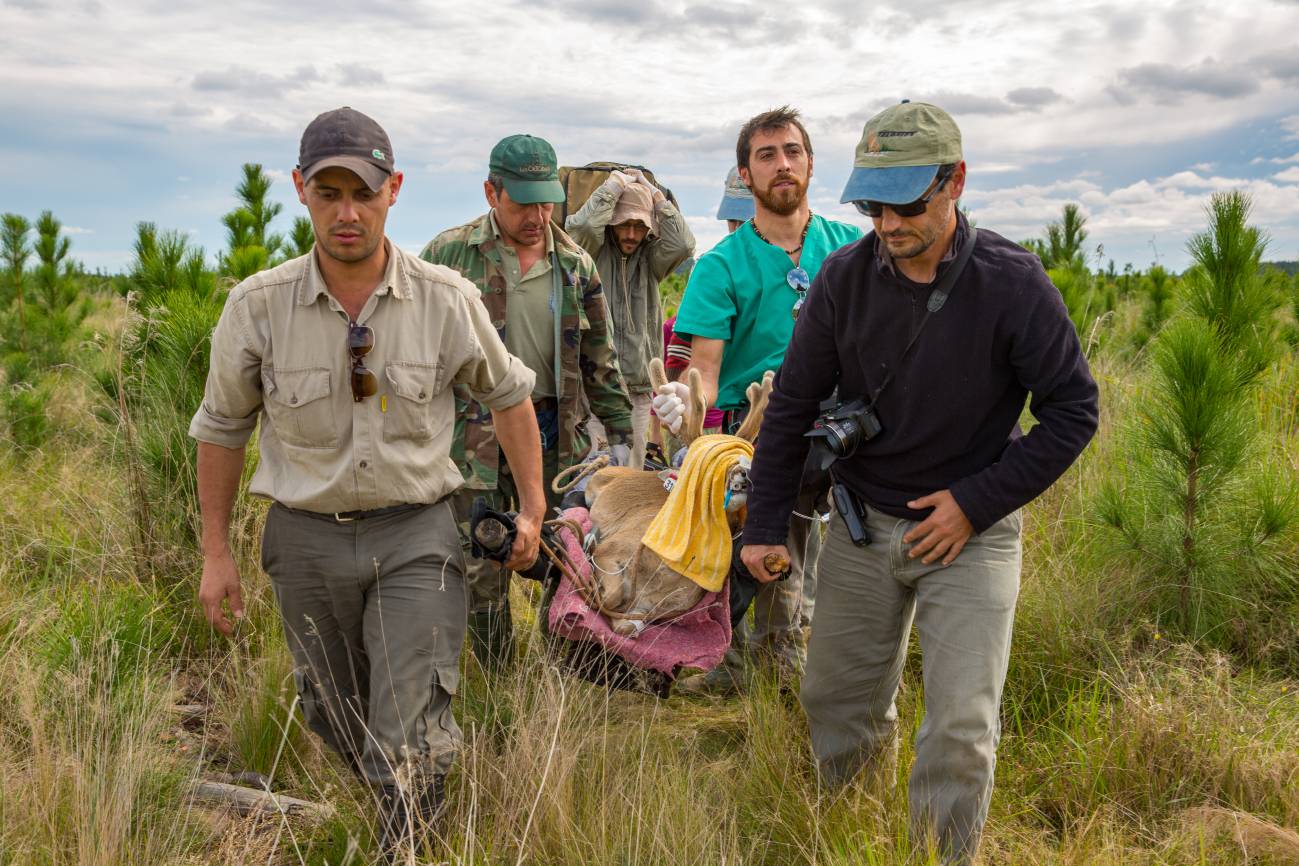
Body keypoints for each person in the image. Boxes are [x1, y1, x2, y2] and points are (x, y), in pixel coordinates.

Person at [739, 101, 1100, 864]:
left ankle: (941, 856)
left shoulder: (1012, 283)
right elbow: (793, 406)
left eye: (907, 203)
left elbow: (1073, 411)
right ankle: (852, 835)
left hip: (971, 533)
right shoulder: (842, 279)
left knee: (962, 726)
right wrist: (765, 525)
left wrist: (974, 504)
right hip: (865, 524)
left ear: (956, 182)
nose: (887, 222)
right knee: (834, 702)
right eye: (872, 203)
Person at [190, 107, 546, 861]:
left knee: (409, 723)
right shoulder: (257, 306)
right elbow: (221, 428)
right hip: (305, 538)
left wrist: (535, 511)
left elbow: (510, 396)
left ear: (395, 191)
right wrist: (215, 554)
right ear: (300, 190)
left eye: (364, 191)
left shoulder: (445, 298)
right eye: (329, 192)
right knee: (331, 712)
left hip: (415, 534)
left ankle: (404, 845)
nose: (347, 211)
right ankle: (387, 800)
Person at [659, 107, 862, 693]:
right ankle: (769, 694)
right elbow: (703, 369)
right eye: (766, 156)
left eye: (792, 152)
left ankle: (812, 677)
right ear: (745, 175)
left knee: (846, 572)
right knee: (774, 569)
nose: (782, 165)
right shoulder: (720, 266)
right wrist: (681, 397)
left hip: (856, 436)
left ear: (811, 164)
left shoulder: (851, 248)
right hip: (767, 439)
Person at [421, 134, 634, 673]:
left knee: (567, 557)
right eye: (523, 203)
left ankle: (561, 668)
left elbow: (599, 360)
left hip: (558, 435)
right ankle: (498, 678)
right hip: (475, 439)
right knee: (482, 562)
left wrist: (625, 436)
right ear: (492, 193)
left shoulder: (577, 264)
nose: (538, 215)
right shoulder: (449, 255)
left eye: (546, 201)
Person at [565, 167, 695, 468]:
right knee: (593, 474)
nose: (632, 234)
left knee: (632, 477)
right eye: (625, 224)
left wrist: (656, 195)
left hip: (637, 389)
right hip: (594, 388)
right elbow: (580, 227)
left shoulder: (651, 259)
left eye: (640, 226)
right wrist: (614, 186)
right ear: (611, 222)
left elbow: (684, 244)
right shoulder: (591, 254)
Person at [716, 165, 755, 232]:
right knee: (742, 229)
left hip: (730, 196)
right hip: (747, 199)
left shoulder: (734, 169)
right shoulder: (752, 169)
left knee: (735, 231)